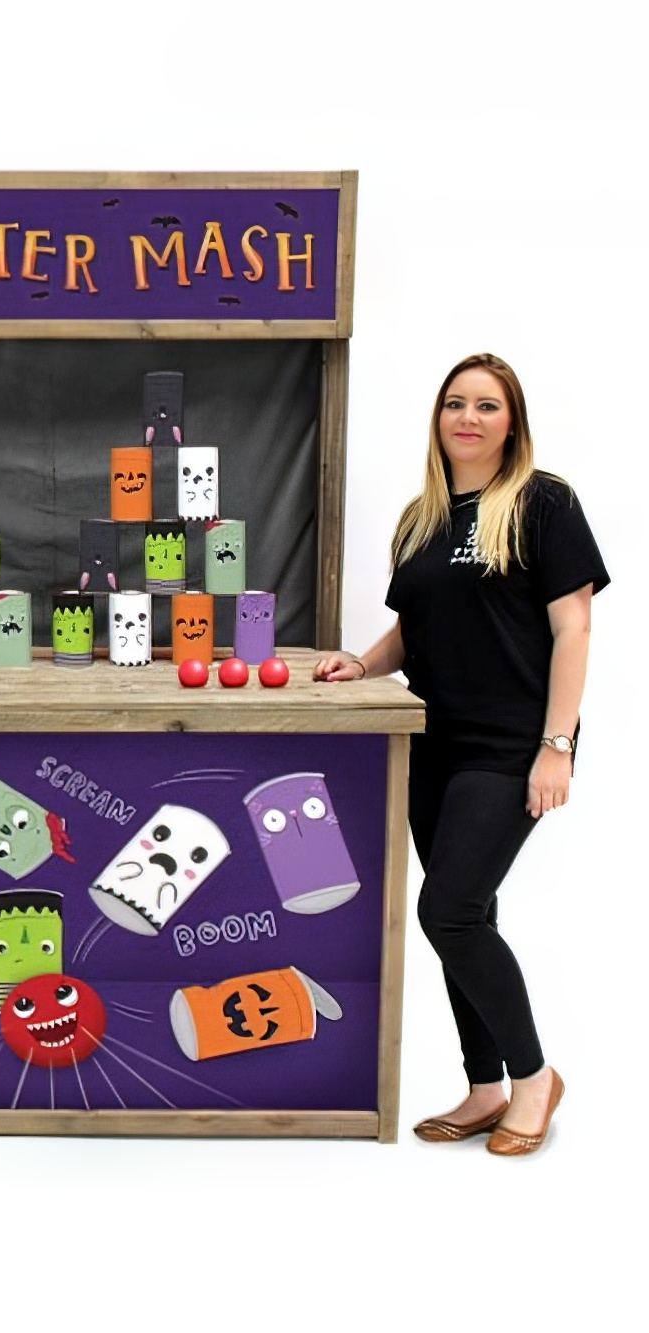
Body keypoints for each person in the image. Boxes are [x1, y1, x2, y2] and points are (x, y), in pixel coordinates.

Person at [314, 353, 609, 1156]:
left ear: (512, 422)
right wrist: (363, 664)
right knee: (470, 915)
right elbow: (414, 628)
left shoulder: (544, 503)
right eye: (455, 403)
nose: (468, 418)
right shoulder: (423, 517)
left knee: (447, 910)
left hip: (511, 744)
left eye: (486, 405)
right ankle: (484, 1086)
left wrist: (556, 745)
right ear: (438, 418)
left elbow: (573, 627)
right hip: (433, 741)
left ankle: (534, 1078)